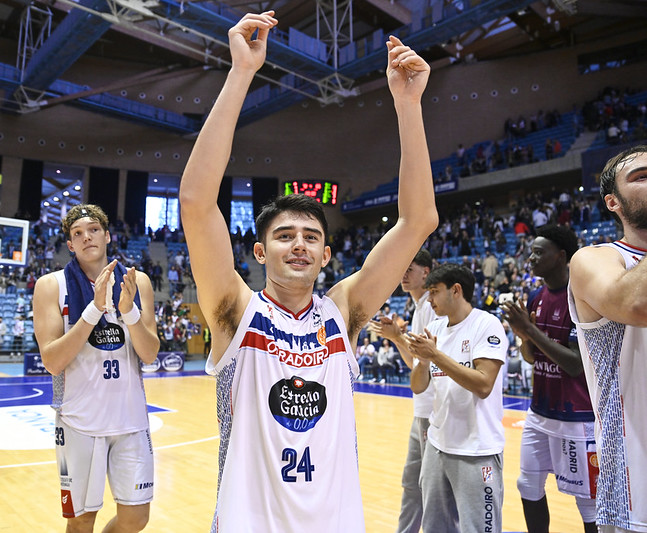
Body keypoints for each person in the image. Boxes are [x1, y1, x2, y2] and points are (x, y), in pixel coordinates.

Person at [178, 11, 437, 531]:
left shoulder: (343, 311)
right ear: (258, 252)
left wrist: (408, 106)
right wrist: (240, 74)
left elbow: (418, 221)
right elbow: (196, 201)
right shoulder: (235, 311)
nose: (299, 244)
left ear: (325, 256)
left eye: (311, 237)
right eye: (284, 235)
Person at [33, 203, 159, 533]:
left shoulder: (137, 282)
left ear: (106, 236)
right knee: (80, 521)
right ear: (70, 245)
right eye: (77, 234)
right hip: (79, 422)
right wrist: (93, 310)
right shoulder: (51, 285)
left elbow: (149, 354)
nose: (86, 237)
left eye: (93, 230)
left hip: (130, 420)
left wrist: (128, 312)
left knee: (136, 518)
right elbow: (52, 361)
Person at [567, 145, 647, 532]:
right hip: (635, 488)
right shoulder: (593, 259)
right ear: (612, 202)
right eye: (643, 177)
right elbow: (636, 304)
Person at [501, 225, 597, 533]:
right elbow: (531, 357)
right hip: (538, 412)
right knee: (527, 485)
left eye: (539, 252)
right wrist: (523, 337)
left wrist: (529, 331)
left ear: (561, 256)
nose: (530, 258)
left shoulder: (580, 297)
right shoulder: (534, 296)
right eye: (530, 251)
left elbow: (574, 365)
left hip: (577, 416)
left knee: (587, 501)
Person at [404, 264, 508, 533]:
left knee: (478, 528)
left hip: (477, 450)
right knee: (435, 526)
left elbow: (484, 384)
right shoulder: (435, 328)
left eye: (435, 292)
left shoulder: (486, 324)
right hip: (438, 445)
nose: (430, 300)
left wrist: (436, 356)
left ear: (456, 290)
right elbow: (417, 386)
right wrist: (424, 362)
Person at [368, 249, 439, 533]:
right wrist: (397, 338)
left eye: (411, 268)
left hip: (434, 410)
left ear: (426, 272)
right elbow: (416, 363)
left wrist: (398, 338)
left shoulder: (432, 306)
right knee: (412, 483)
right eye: (403, 268)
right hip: (422, 408)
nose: (404, 273)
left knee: (430, 489)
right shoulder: (419, 307)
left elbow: (430, 364)